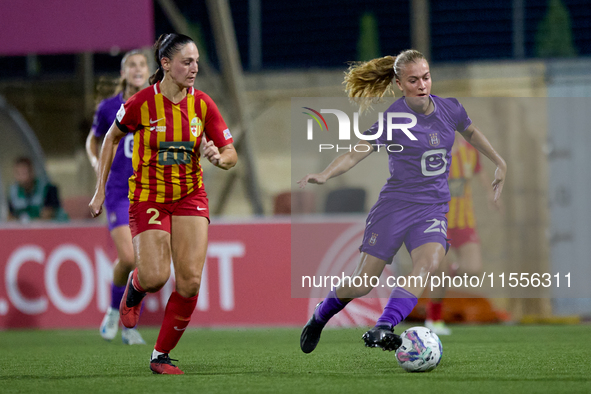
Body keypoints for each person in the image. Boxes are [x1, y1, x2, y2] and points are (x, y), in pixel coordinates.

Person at [298, 50, 507, 354]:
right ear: (399, 84)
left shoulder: (451, 109)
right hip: (394, 208)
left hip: (432, 210)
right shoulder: (394, 120)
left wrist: (499, 161)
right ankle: (319, 317)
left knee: (429, 264)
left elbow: (472, 133)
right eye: (413, 80)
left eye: (426, 77)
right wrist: (326, 173)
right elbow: (356, 152)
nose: (422, 84)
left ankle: (384, 326)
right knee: (362, 283)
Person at [89, 33, 237, 374]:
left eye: (197, 60)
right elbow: (110, 139)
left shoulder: (202, 104)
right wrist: (99, 192)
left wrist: (218, 157)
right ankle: (134, 290)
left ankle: (160, 356)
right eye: (187, 61)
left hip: (190, 196)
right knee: (155, 276)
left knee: (190, 282)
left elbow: (231, 153)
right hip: (148, 196)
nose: (194, 68)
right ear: (166, 65)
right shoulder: (141, 102)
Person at [86, 50, 150, 345]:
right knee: (128, 257)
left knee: (147, 265)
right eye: (132, 65)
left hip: (149, 192)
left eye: (142, 64)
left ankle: (128, 324)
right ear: (124, 73)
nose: (138, 69)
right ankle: (115, 311)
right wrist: (97, 164)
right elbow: (94, 139)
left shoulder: (156, 104)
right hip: (118, 193)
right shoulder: (109, 107)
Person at [425, 135, 500, 335]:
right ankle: (434, 319)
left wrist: (490, 193)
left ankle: (447, 273)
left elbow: (480, 172)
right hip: (438, 221)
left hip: (464, 221)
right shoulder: (433, 152)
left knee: (474, 269)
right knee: (440, 270)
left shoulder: (470, 151)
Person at [8, 156, 67, 222]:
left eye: (24, 173)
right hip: (27, 229)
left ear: (32, 172)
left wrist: (24, 223)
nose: (22, 177)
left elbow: (47, 217)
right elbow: (10, 217)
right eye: (18, 173)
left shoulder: (48, 189)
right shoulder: (13, 191)